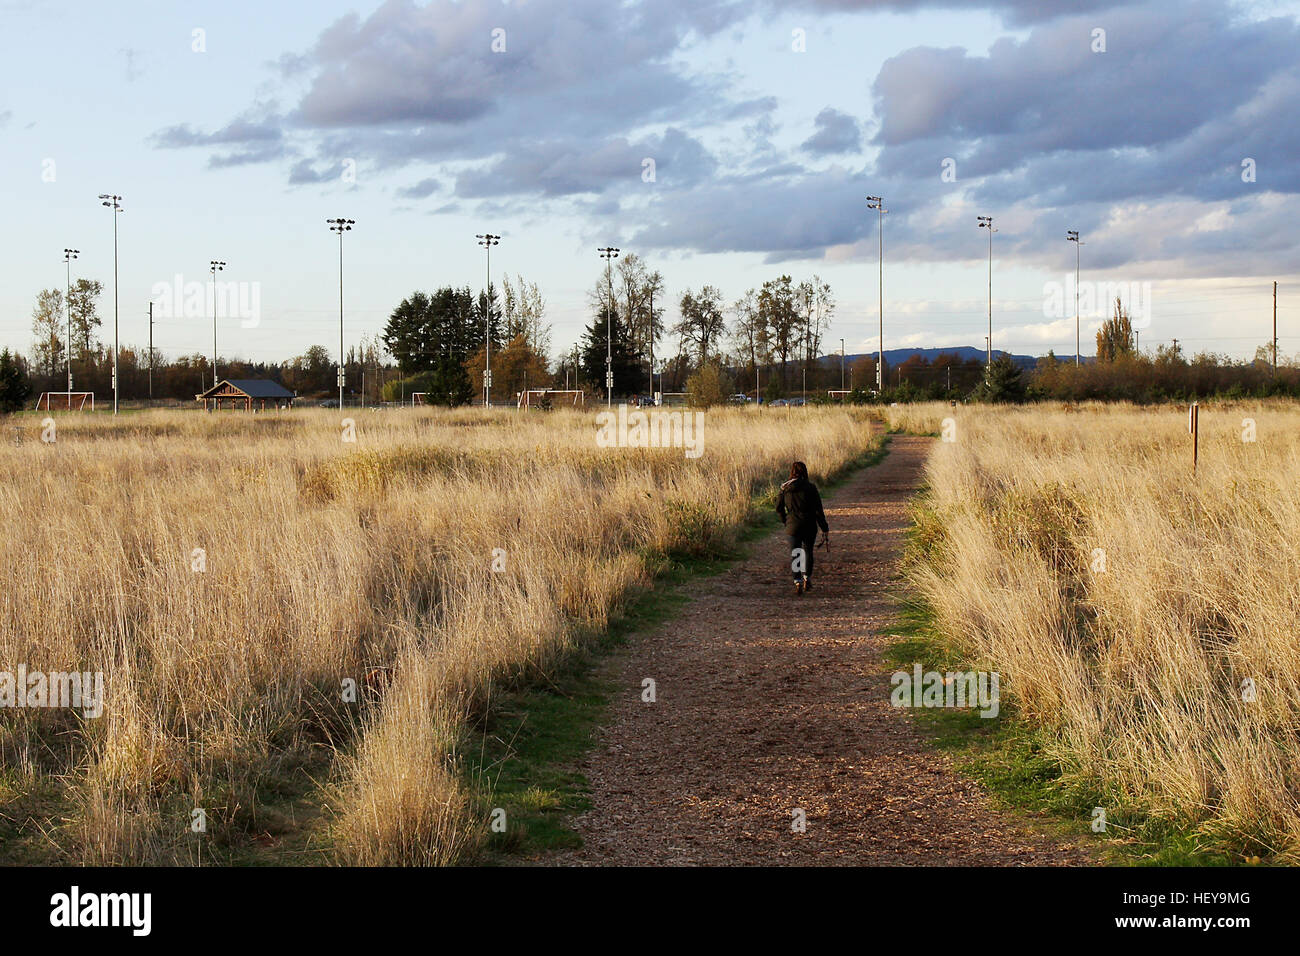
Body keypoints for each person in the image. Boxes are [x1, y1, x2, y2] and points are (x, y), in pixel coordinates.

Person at [776, 461, 829, 595]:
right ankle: (807, 578)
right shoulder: (811, 488)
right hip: (809, 524)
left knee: (796, 553)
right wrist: (824, 527)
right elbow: (818, 509)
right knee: (808, 552)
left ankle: (797, 581)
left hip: (792, 525)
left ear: (792, 472)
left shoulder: (785, 488)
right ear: (805, 471)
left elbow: (778, 507)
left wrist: (785, 520)